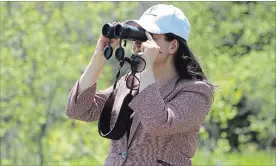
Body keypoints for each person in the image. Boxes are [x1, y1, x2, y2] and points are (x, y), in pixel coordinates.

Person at [65, 4, 215, 166]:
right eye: (138, 36)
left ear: (173, 46)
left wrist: (145, 68)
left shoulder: (197, 91)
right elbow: (78, 110)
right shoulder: (129, 83)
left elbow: (159, 123)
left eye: (150, 36)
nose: (139, 42)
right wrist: (98, 57)